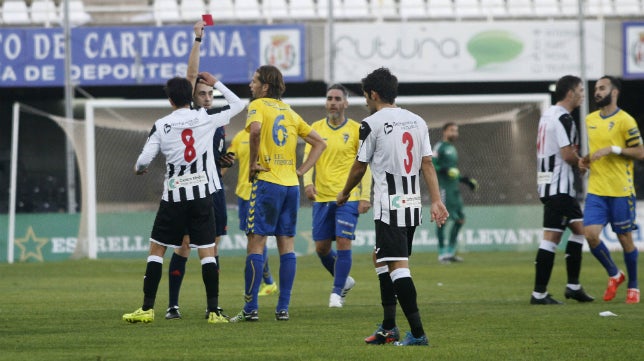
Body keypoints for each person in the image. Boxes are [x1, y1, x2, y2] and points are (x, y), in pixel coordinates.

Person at [337, 67, 448, 346]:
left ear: (373, 94)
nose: (365, 101)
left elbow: (359, 166)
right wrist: (435, 200)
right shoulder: (417, 121)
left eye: (365, 95)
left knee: (398, 267)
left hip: (389, 206)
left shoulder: (370, 124)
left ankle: (418, 334)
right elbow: (427, 163)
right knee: (380, 258)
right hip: (411, 204)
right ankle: (389, 327)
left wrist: (344, 193)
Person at [122, 74, 244, 323]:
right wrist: (217, 83)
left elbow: (144, 160)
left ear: (169, 100)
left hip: (174, 196)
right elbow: (239, 104)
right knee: (207, 252)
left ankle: (147, 309)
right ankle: (213, 311)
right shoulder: (205, 117)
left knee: (157, 249)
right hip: (201, 194)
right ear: (190, 97)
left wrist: (138, 169)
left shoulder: (161, 124)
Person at [229, 65, 326, 322]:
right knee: (287, 245)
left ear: (265, 87)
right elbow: (320, 142)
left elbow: (257, 130)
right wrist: (301, 170)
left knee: (256, 243)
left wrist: (252, 163)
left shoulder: (258, 106)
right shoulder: (291, 113)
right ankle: (283, 308)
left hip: (267, 183)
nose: (250, 85)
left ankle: (250, 310)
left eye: (254, 81)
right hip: (290, 186)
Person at [165, 20, 237, 321]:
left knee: (213, 245)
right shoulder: (190, 116)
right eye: (203, 93)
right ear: (192, 95)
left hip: (214, 189)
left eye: (210, 94)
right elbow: (191, 75)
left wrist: (223, 163)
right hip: (188, 188)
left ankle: (213, 305)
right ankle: (172, 305)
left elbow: (213, 157)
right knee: (184, 244)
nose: (208, 97)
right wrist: (198, 38)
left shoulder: (216, 121)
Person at [303, 84, 372, 308]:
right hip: (322, 197)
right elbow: (308, 156)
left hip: (347, 197)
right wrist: (307, 182)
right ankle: (345, 280)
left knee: (343, 241)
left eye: (337, 98)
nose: (332, 102)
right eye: (329, 98)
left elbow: (365, 165)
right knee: (322, 248)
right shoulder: (315, 128)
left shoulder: (356, 129)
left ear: (345, 103)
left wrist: (365, 195)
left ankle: (336, 293)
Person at [578, 75, 644, 304]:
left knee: (625, 238)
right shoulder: (590, 119)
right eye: (596, 88)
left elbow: (640, 152)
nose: (597, 92)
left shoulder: (626, 121)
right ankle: (615, 274)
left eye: (602, 88)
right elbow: (596, 151)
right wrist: (584, 160)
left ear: (614, 92)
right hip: (597, 190)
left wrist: (614, 149)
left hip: (621, 190)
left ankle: (633, 286)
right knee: (591, 235)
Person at [531, 75, 594, 305]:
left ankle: (573, 286)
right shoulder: (563, 118)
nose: (582, 94)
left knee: (576, 232)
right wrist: (582, 162)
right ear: (570, 93)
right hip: (560, 187)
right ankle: (540, 293)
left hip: (548, 185)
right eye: (580, 90)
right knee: (556, 237)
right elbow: (567, 154)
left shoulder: (546, 115)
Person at [228, 128, 278, 297]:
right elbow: (228, 159)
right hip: (243, 193)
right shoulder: (240, 136)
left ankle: (260, 284)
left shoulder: (269, 134)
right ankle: (267, 282)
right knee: (252, 239)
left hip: (261, 191)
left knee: (256, 239)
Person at [432, 123, 478, 263]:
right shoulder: (440, 146)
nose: (455, 133)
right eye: (452, 130)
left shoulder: (452, 148)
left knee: (460, 219)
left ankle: (450, 252)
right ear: (445, 131)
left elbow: (453, 172)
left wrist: (465, 180)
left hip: (454, 188)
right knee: (442, 220)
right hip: (444, 188)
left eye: (456, 130)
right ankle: (442, 253)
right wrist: (444, 170)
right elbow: (432, 163)